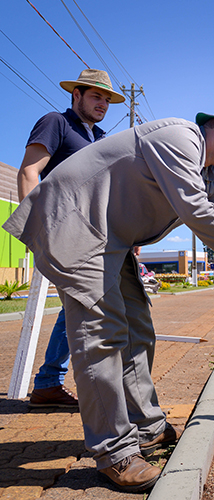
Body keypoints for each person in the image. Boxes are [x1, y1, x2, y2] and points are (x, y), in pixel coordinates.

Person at [4, 102, 214, 492]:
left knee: (138, 326)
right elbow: (196, 209)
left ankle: (147, 426)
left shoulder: (205, 172)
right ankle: (114, 452)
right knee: (101, 336)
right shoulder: (180, 138)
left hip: (112, 239)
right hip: (77, 225)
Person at [18, 68, 125, 409]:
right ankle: (56, 382)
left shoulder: (100, 137)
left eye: (107, 99)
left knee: (79, 307)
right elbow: (29, 171)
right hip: (63, 230)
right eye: (95, 96)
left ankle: (49, 381)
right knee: (82, 305)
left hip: (97, 236)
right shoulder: (56, 123)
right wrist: (35, 228)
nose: (103, 104)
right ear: (75, 95)